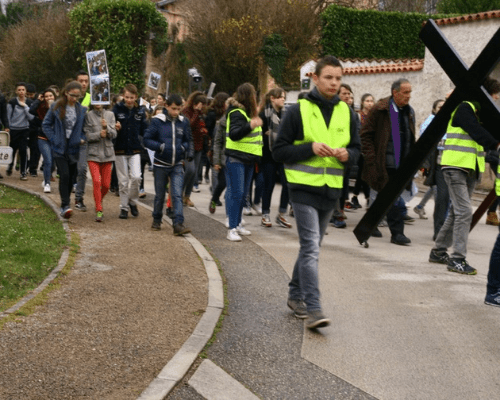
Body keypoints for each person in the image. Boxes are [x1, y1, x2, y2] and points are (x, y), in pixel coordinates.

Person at [273, 55, 360, 329]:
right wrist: (309, 148)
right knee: (311, 247)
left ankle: (294, 294)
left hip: (331, 191)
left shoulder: (348, 113)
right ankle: (314, 308)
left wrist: (349, 155)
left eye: (338, 78)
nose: (334, 83)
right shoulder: (297, 110)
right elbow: (279, 151)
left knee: (312, 246)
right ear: (315, 78)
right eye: (328, 78)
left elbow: (358, 149)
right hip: (302, 189)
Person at [429, 77, 500, 274]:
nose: (495, 102)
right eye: (494, 98)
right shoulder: (464, 108)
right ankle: (457, 259)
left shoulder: (480, 112)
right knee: (464, 212)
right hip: (455, 166)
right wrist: (496, 144)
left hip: (469, 168)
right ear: (486, 95)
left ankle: (438, 251)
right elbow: (475, 130)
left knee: (456, 212)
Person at [361, 78, 416, 246]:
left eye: (410, 92)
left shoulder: (409, 111)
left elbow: (410, 136)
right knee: (394, 200)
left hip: (402, 163)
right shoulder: (380, 109)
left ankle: (370, 225)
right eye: (405, 92)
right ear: (395, 92)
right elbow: (365, 135)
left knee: (384, 199)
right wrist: (372, 159)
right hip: (384, 164)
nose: (409, 96)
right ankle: (397, 233)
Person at [144, 94, 192, 235]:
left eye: (178, 109)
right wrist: (160, 147)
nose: (176, 112)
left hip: (177, 164)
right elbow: (147, 140)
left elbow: (188, 140)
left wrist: (184, 148)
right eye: (173, 109)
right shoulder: (157, 121)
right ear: (166, 106)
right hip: (160, 164)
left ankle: (178, 224)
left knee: (177, 194)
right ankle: (156, 219)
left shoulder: (183, 122)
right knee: (160, 195)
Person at [42, 81, 87, 218]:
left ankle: (65, 204)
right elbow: (46, 125)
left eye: (77, 96)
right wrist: (54, 139)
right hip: (59, 147)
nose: (74, 98)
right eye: (72, 95)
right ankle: (65, 205)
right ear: (66, 93)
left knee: (71, 177)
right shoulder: (56, 106)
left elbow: (85, 128)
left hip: (74, 147)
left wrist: (82, 138)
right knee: (64, 175)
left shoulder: (81, 109)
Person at [225, 83, 263, 241]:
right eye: (254, 94)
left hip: (247, 159)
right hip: (237, 158)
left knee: (242, 195)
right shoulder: (236, 112)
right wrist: (250, 125)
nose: (255, 97)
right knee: (237, 193)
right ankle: (232, 228)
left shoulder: (246, 113)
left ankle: (238, 224)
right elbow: (234, 134)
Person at [112, 84, 148, 219]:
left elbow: (145, 129)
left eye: (131, 97)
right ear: (123, 96)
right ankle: (123, 207)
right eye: (126, 97)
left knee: (136, 177)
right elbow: (110, 126)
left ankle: (132, 201)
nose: (129, 100)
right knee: (123, 181)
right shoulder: (116, 109)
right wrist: (114, 127)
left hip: (135, 148)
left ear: (136, 97)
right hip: (120, 148)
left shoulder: (140, 111)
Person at [258, 87, 292, 228]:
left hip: (283, 156)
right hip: (268, 155)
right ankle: (265, 214)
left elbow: (289, 134)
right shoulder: (263, 114)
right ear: (272, 98)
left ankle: (281, 214)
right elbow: (259, 134)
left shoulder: (286, 114)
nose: (283, 99)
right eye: (280, 97)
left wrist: (272, 134)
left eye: (284, 97)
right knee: (269, 185)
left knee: (288, 183)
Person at [83, 103, 117, 222]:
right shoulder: (88, 116)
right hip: (93, 155)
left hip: (108, 154)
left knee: (106, 185)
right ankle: (99, 209)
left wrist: (107, 128)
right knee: (97, 181)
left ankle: (98, 200)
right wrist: (98, 134)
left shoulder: (110, 114)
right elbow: (86, 135)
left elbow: (114, 134)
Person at [413, 99, 445, 220]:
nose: (442, 109)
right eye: (439, 107)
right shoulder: (429, 122)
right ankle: (440, 216)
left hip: (440, 159)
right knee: (436, 187)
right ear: (434, 109)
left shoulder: (443, 120)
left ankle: (420, 206)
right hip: (431, 160)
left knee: (435, 186)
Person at [182, 91, 208, 205]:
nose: (203, 107)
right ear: (197, 103)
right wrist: (197, 112)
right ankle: (179, 192)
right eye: (202, 104)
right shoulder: (186, 112)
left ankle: (187, 196)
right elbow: (189, 125)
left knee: (194, 173)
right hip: (188, 145)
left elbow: (201, 125)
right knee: (190, 170)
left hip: (199, 145)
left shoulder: (201, 113)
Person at [29, 88, 56, 192]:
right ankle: (47, 184)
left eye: (51, 96)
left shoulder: (59, 107)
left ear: (54, 96)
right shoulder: (41, 107)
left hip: (55, 138)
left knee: (52, 162)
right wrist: (38, 100)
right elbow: (31, 110)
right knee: (47, 160)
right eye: (46, 96)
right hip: (43, 137)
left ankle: (47, 178)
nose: (49, 98)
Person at [350, 93, 374, 209]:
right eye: (367, 101)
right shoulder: (358, 116)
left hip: (369, 149)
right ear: (362, 102)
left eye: (371, 101)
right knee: (364, 172)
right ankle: (368, 197)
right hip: (360, 148)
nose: (370, 103)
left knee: (362, 173)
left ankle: (355, 196)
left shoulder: (373, 116)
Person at [6, 82, 34, 180]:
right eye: (19, 90)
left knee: (23, 150)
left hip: (24, 129)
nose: (21, 92)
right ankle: (10, 166)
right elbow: (8, 116)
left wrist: (25, 107)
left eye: (23, 90)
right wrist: (8, 127)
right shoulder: (12, 102)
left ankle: (23, 172)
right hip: (13, 129)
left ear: (26, 91)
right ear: (16, 91)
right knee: (12, 150)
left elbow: (31, 117)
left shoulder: (30, 102)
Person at [74, 70, 91, 211]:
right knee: (68, 170)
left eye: (86, 81)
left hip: (84, 139)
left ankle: (79, 198)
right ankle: (65, 200)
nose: (84, 83)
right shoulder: (71, 97)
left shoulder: (92, 98)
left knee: (82, 169)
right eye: (81, 81)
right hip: (69, 140)